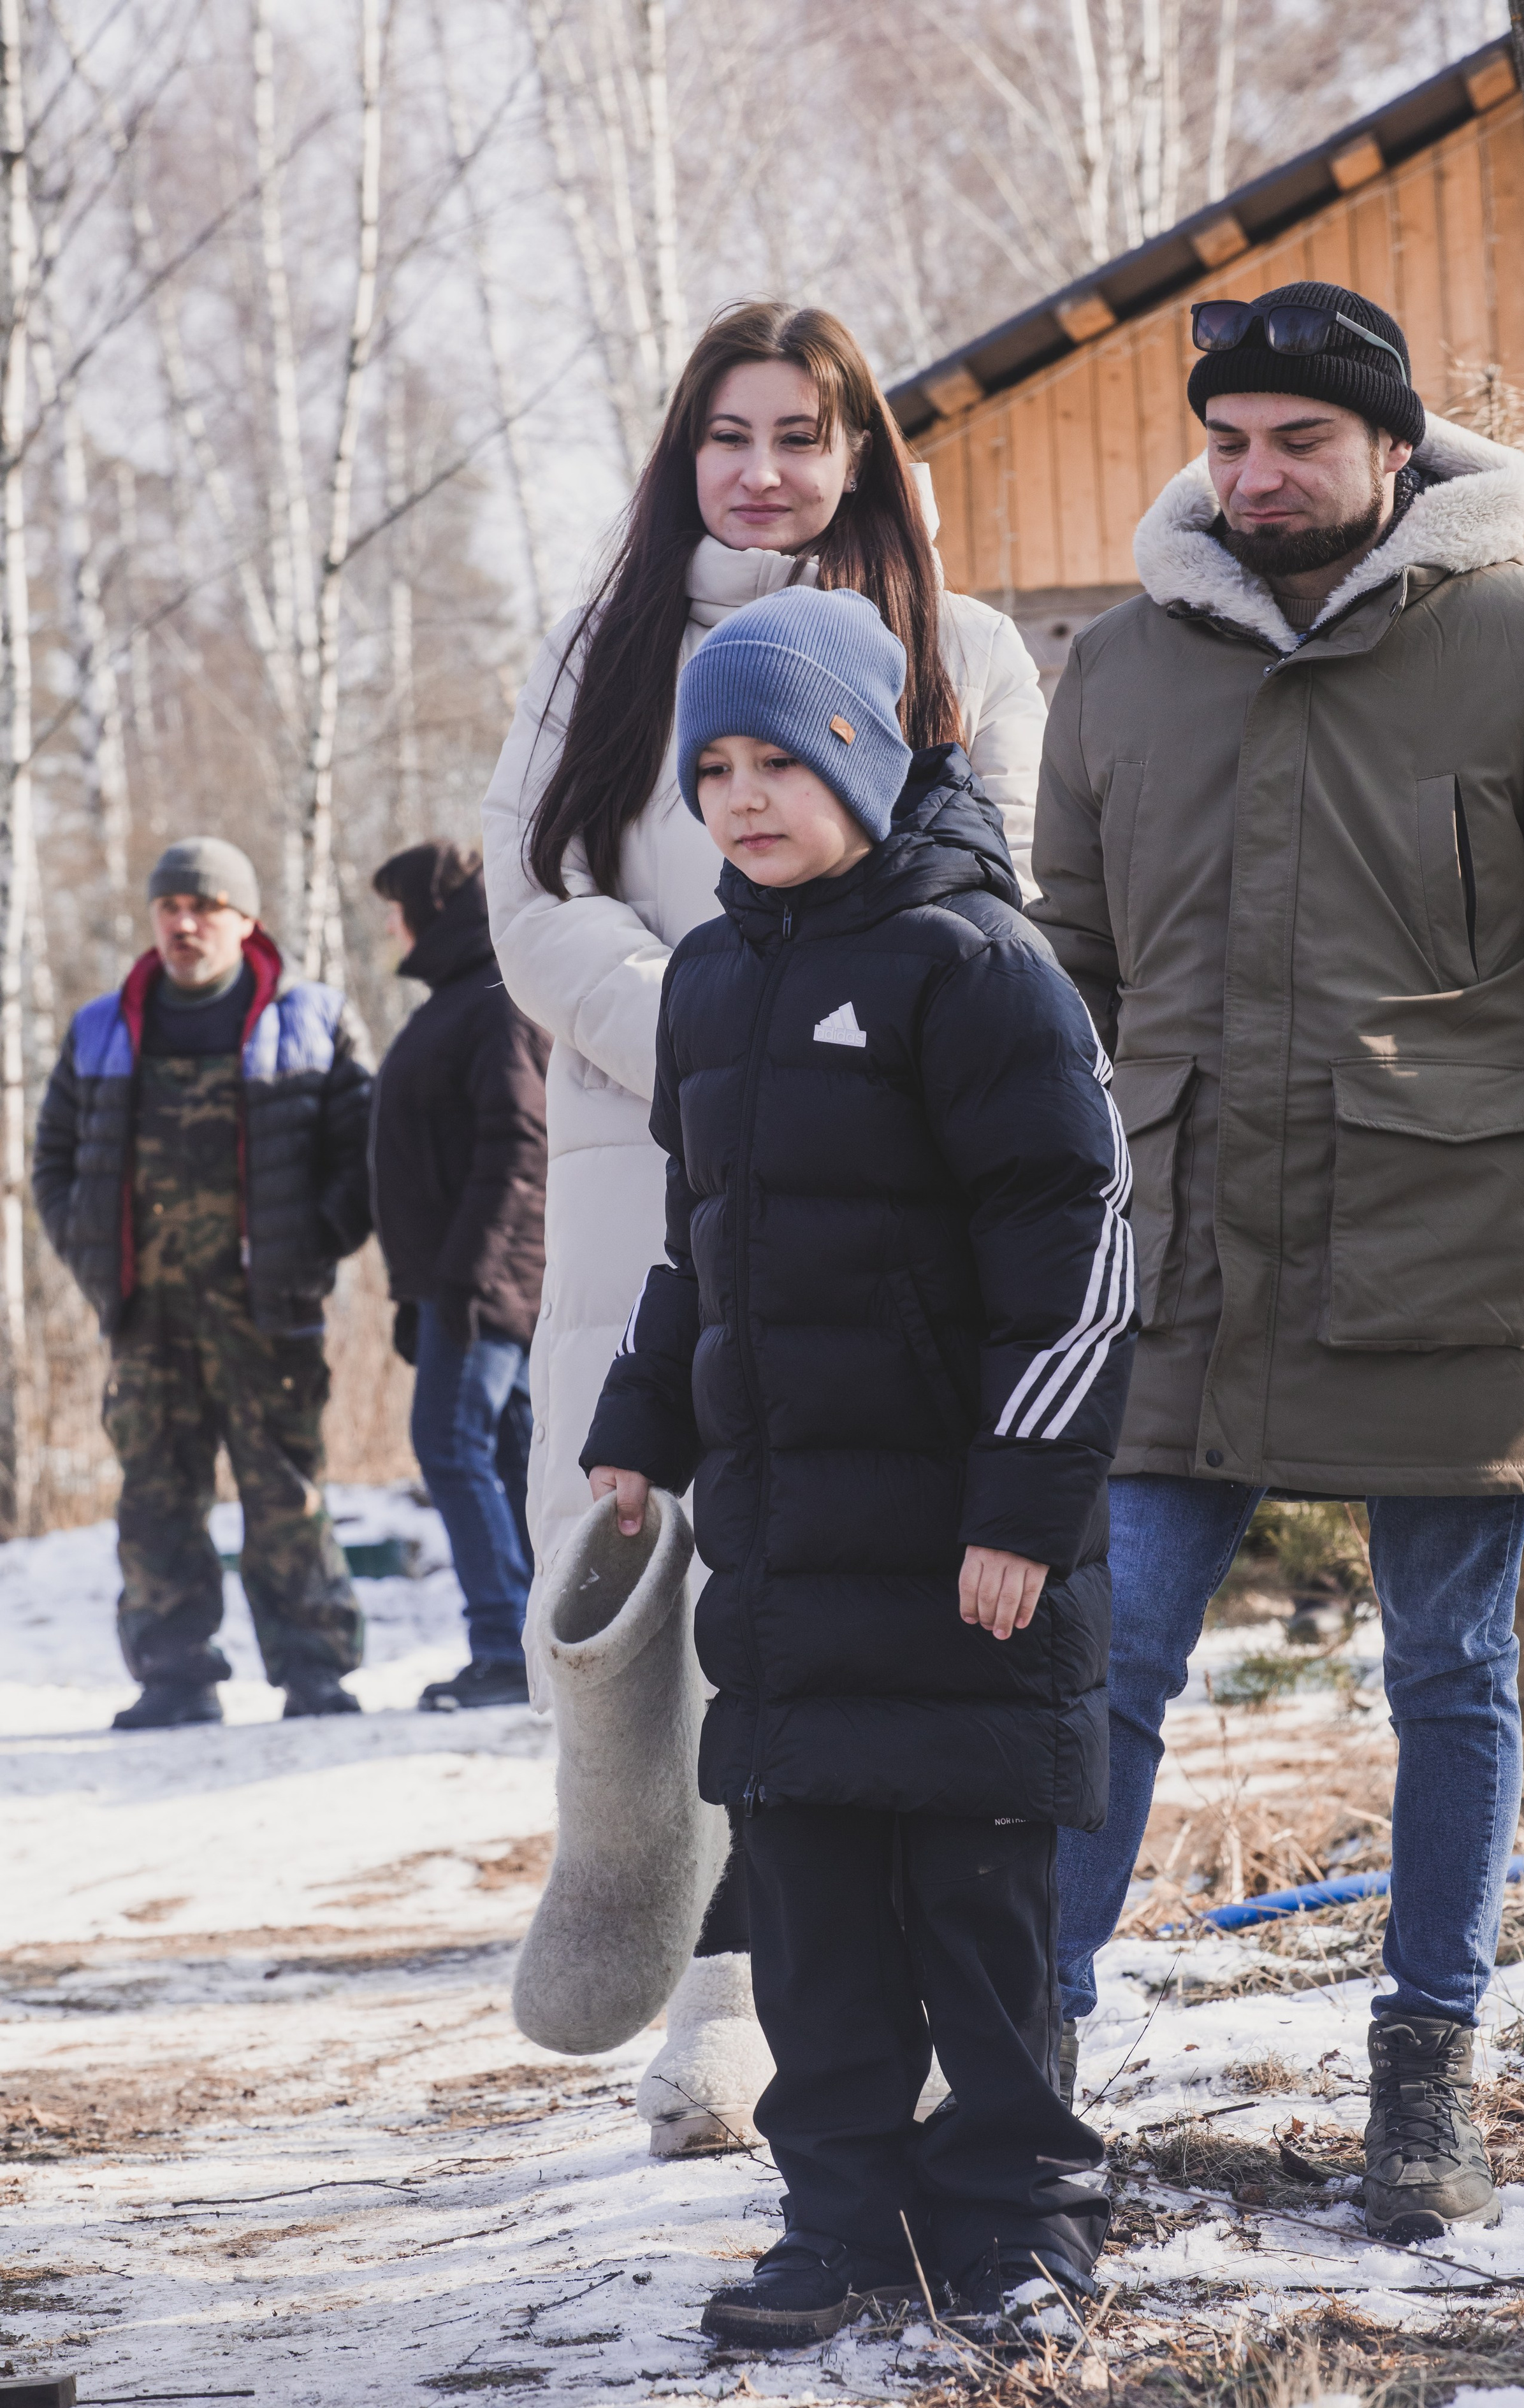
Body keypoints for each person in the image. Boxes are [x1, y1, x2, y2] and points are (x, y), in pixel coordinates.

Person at [1029, 278, 1524, 2243]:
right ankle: (1030, 2058)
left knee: (1450, 1673)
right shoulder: (1119, 672)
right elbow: (1068, 982)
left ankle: (1429, 2074)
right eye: (1229, 439)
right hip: (1181, 1251)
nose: (1257, 473)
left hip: (1447, 1246)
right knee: (1099, 1653)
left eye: (1300, 438)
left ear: (1391, 453)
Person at [483, 299, 1050, 2148]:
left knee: (816, 1575)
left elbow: (1002, 898)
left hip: (885, 1167)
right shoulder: (606, 648)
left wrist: (817, 1050)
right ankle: (629, 1857)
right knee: (635, 1543)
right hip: (651, 1151)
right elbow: (537, 892)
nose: (765, 470)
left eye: (805, 434)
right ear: (683, 453)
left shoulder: (954, 651)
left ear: (864, 453)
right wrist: (717, 1038)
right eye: (731, 434)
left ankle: (754, 1996)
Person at [579, 585, 1136, 2343]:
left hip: (968, 1556)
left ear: (871, 759)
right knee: (812, 1921)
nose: (745, 798)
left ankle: (1018, 2218)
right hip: (791, 1557)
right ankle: (838, 2214)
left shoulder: (977, 968)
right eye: (714, 769)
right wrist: (641, 1422)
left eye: (784, 761)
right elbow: (704, 1243)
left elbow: (1083, 1258)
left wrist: (1025, 1510)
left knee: (975, 1914)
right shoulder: (714, 981)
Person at [33, 837, 374, 1729]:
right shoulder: (103, 1026)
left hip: (267, 1310)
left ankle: (315, 1675)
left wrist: (309, 1249)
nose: (186, 924)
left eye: (206, 906)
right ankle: (174, 1678)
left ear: (246, 918)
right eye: (171, 908)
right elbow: (55, 1161)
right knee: (154, 1494)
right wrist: (94, 1256)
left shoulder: (311, 1020)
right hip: (146, 1316)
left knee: (285, 1492)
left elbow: (364, 1156)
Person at [369, 840, 550, 1710]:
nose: (391, 929)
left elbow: (519, 1146)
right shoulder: (464, 997)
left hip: (484, 1284)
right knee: (508, 1452)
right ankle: (531, 1643)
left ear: (432, 909)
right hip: (464, 1281)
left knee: (450, 1442)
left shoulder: (493, 999)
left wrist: (467, 1281)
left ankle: (505, 1645)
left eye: (397, 908)